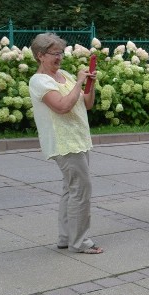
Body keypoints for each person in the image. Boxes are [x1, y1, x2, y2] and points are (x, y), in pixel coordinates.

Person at [28, 33, 102, 254]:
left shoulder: (64, 75)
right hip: (64, 143)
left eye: (61, 52)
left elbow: (86, 104)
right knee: (81, 189)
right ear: (40, 56)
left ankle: (65, 237)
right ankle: (79, 242)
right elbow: (62, 106)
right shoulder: (40, 81)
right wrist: (79, 81)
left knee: (71, 190)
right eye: (54, 53)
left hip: (78, 140)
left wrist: (89, 84)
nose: (59, 57)